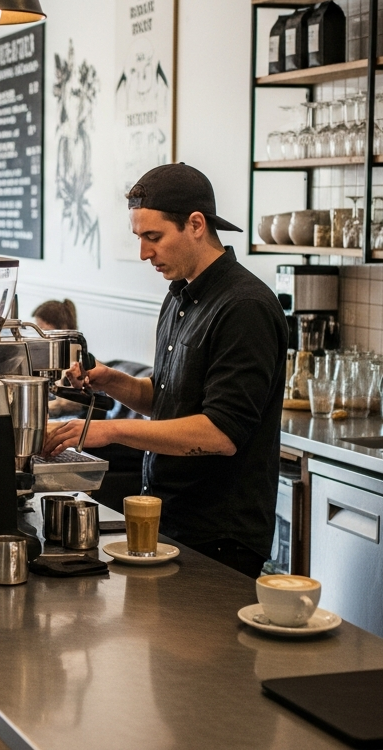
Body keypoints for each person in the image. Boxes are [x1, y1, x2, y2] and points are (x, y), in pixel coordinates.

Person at [43, 163, 287, 578]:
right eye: (139, 238)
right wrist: (112, 380)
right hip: (168, 518)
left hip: (219, 533)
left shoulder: (246, 307)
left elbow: (220, 434)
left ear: (195, 224)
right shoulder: (179, 297)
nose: (144, 253)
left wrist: (109, 430)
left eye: (153, 237)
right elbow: (167, 397)